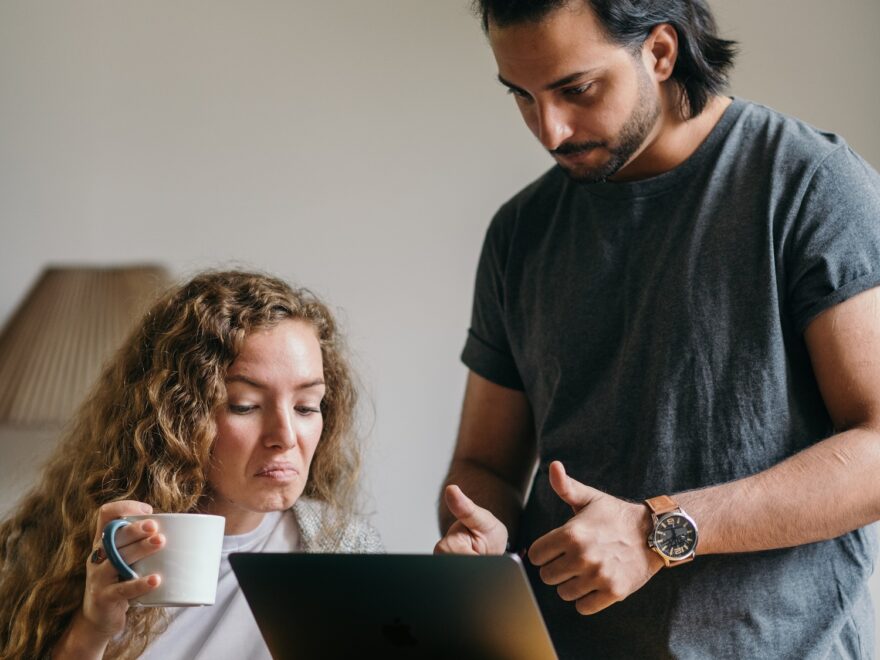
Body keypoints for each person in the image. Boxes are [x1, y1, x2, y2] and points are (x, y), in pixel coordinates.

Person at [435, 0, 880, 657]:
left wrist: (659, 530)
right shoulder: (520, 231)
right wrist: (478, 539)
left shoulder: (807, 185)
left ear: (661, 52)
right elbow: (485, 464)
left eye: (576, 89)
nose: (550, 130)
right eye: (522, 97)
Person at [0, 270, 382, 660]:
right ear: (180, 417)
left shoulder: (344, 549)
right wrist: (92, 629)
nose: (285, 436)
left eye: (306, 407)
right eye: (244, 406)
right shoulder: (73, 544)